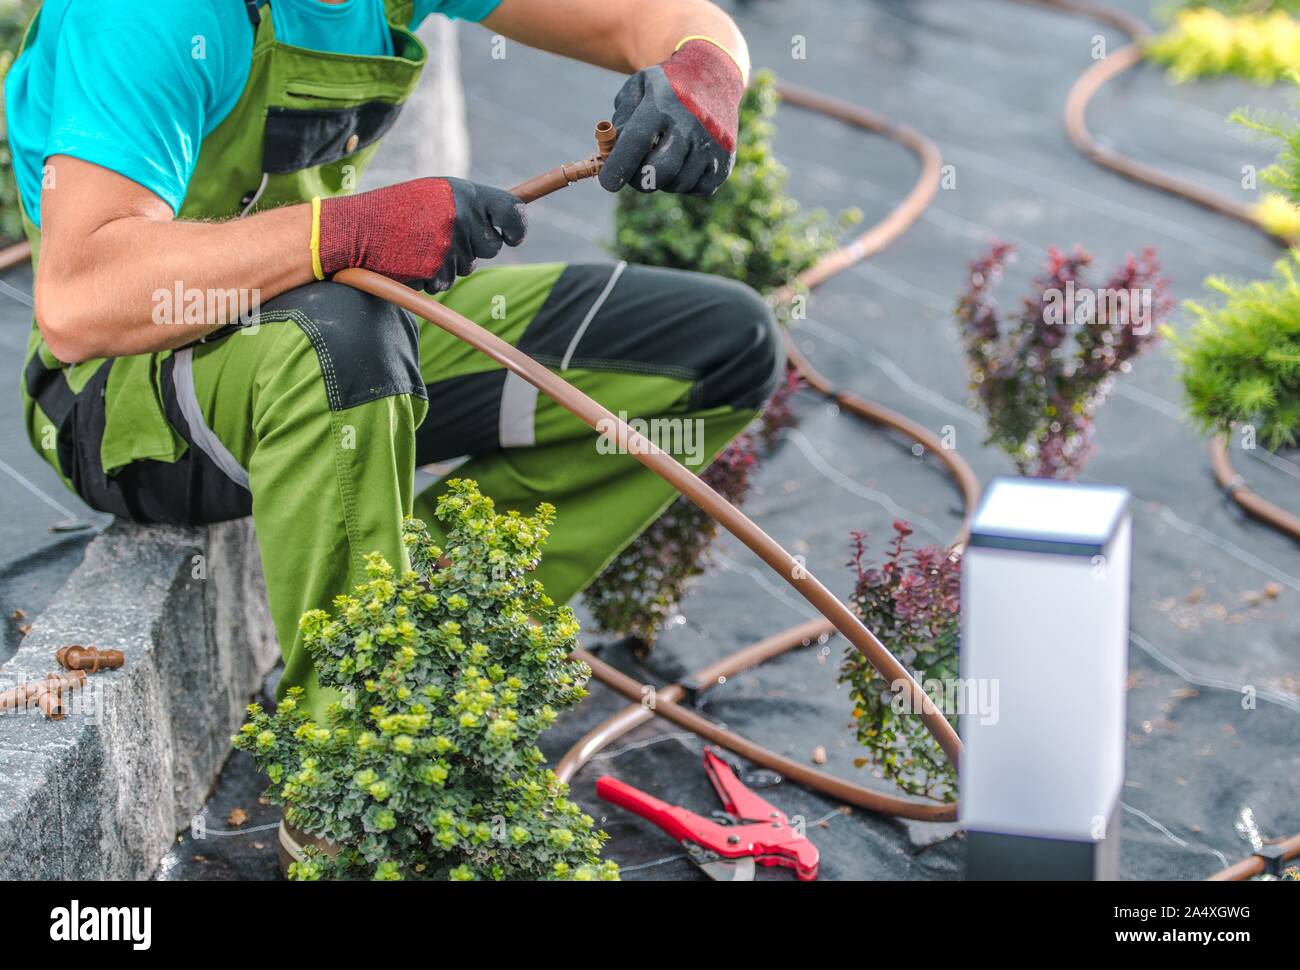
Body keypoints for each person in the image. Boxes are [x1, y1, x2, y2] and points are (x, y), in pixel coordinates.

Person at [7, 0, 784, 720]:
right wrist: (347, 230)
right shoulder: (150, 16)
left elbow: (649, 17)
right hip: (128, 395)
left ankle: (435, 647)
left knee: (718, 348)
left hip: (317, 324)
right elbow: (81, 300)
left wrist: (706, 64)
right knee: (343, 333)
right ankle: (353, 761)